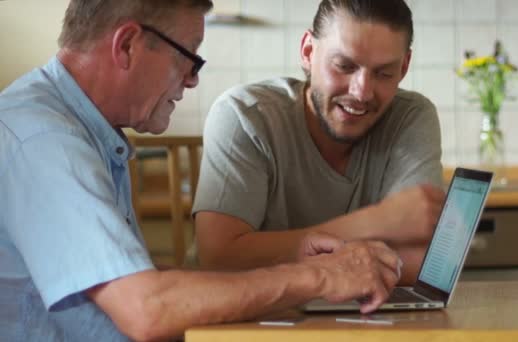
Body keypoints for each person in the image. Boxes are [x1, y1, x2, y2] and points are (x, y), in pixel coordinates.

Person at [0, 1, 402, 341]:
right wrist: (318, 279)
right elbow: (148, 309)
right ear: (127, 46)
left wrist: (298, 274)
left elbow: (132, 282)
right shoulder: (43, 138)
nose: (192, 80)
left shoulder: (71, 127)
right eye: (189, 57)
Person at [192, 0, 446, 284]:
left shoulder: (411, 117)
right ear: (308, 52)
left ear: (404, 67)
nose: (361, 92)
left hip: (374, 323)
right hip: (260, 324)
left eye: (384, 73)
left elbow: (421, 262)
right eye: (344, 66)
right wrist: (377, 222)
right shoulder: (244, 116)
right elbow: (219, 258)